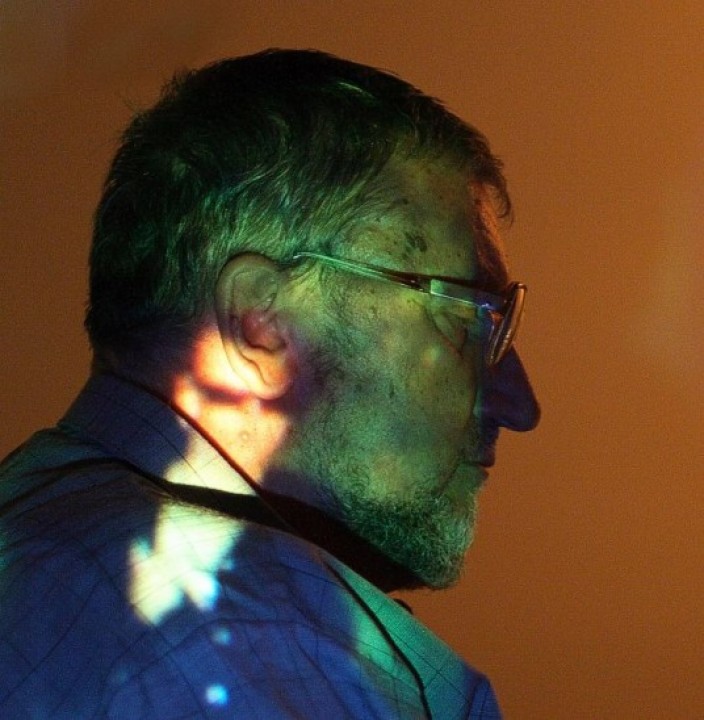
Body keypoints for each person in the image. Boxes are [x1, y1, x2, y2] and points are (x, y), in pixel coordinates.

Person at [0, 49, 539, 718]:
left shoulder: (42, 549)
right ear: (263, 322)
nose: (520, 405)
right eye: (471, 317)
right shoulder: (236, 637)